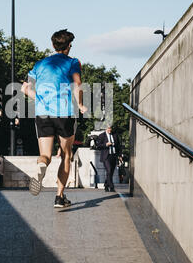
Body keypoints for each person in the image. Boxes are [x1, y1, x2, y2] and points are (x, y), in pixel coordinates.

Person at [21, 29, 87, 208]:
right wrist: (80, 105)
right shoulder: (73, 62)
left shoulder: (40, 64)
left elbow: (25, 89)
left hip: (43, 113)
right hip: (64, 112)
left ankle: (41, 167)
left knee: (45, 155)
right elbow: (77, 85)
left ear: (53, 45)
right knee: (66, 155)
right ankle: (59, 197)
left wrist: (40, 98)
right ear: (68, 46)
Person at [96, 125, 122, 192]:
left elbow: (119, 146)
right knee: (109, 170)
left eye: (110, 128)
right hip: (106, 156)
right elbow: (98, 146)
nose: (110, 130)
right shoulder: (101, 136)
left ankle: (106, 184)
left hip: (113, 156)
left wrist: (120, 155)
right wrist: (105, 144)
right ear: (105, 128)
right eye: (108, 128)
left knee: (111, 172)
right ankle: (111, 186)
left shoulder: (115, 135)